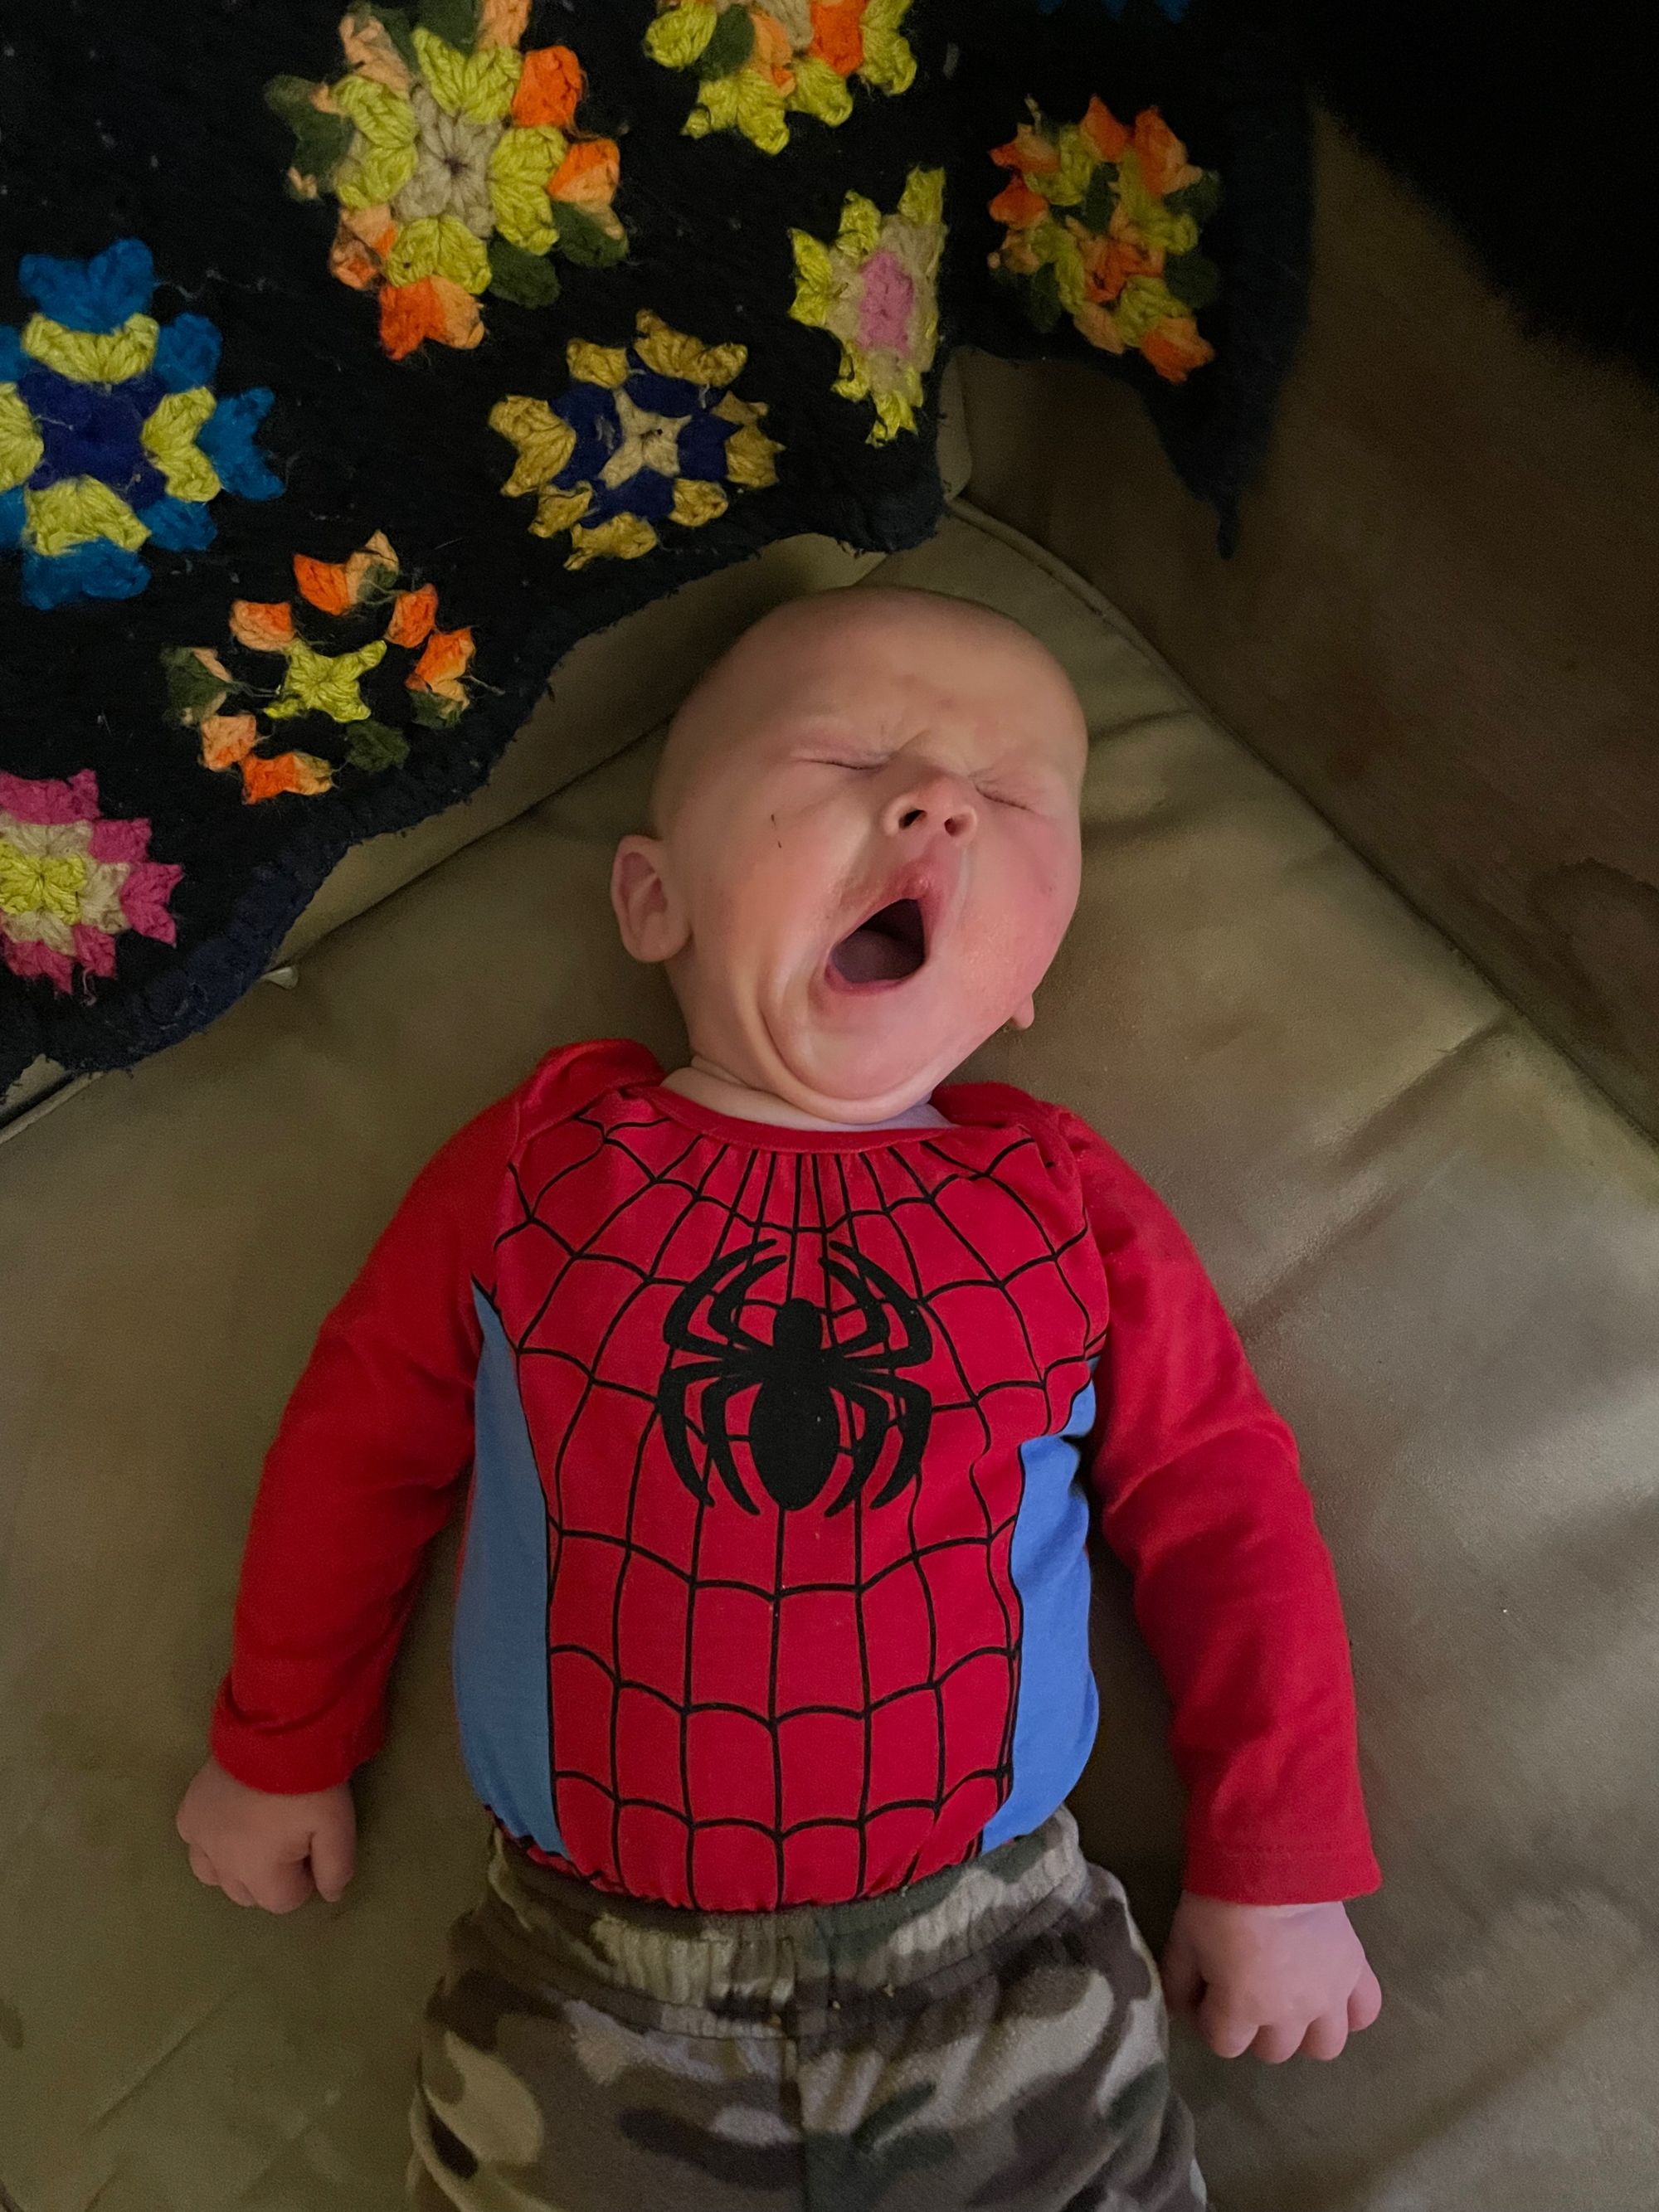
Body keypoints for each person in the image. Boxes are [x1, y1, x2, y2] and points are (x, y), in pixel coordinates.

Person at [178, 586, 1382, 2210]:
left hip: (1002, 1946)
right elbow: (361, 1438)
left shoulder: (1059, 1199)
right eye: (847, 755)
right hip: (579, 1973)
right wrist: (278, 1738)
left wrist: (1279, 1855)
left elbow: (1221, 1505)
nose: (935, 800)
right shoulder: (538, 1160)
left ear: (1032, 972)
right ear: (652, 895)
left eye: (1010, 796)